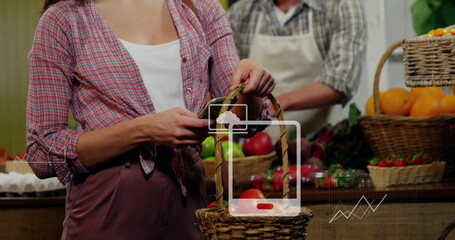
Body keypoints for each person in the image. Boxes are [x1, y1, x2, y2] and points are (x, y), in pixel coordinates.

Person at [26, 0, 275, 239]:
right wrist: (144, 130)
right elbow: (43, 151)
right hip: (107, 207)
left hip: (189, 204)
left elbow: (241, 120)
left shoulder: (201, 8)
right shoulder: (63, 20)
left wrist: (251, 87)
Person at [228, 0, 367, 138]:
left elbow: (341, 80)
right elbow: (230, 84)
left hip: (320, 144)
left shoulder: (340, 5)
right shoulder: (241, 11)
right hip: (257, 150)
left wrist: (275, 105)